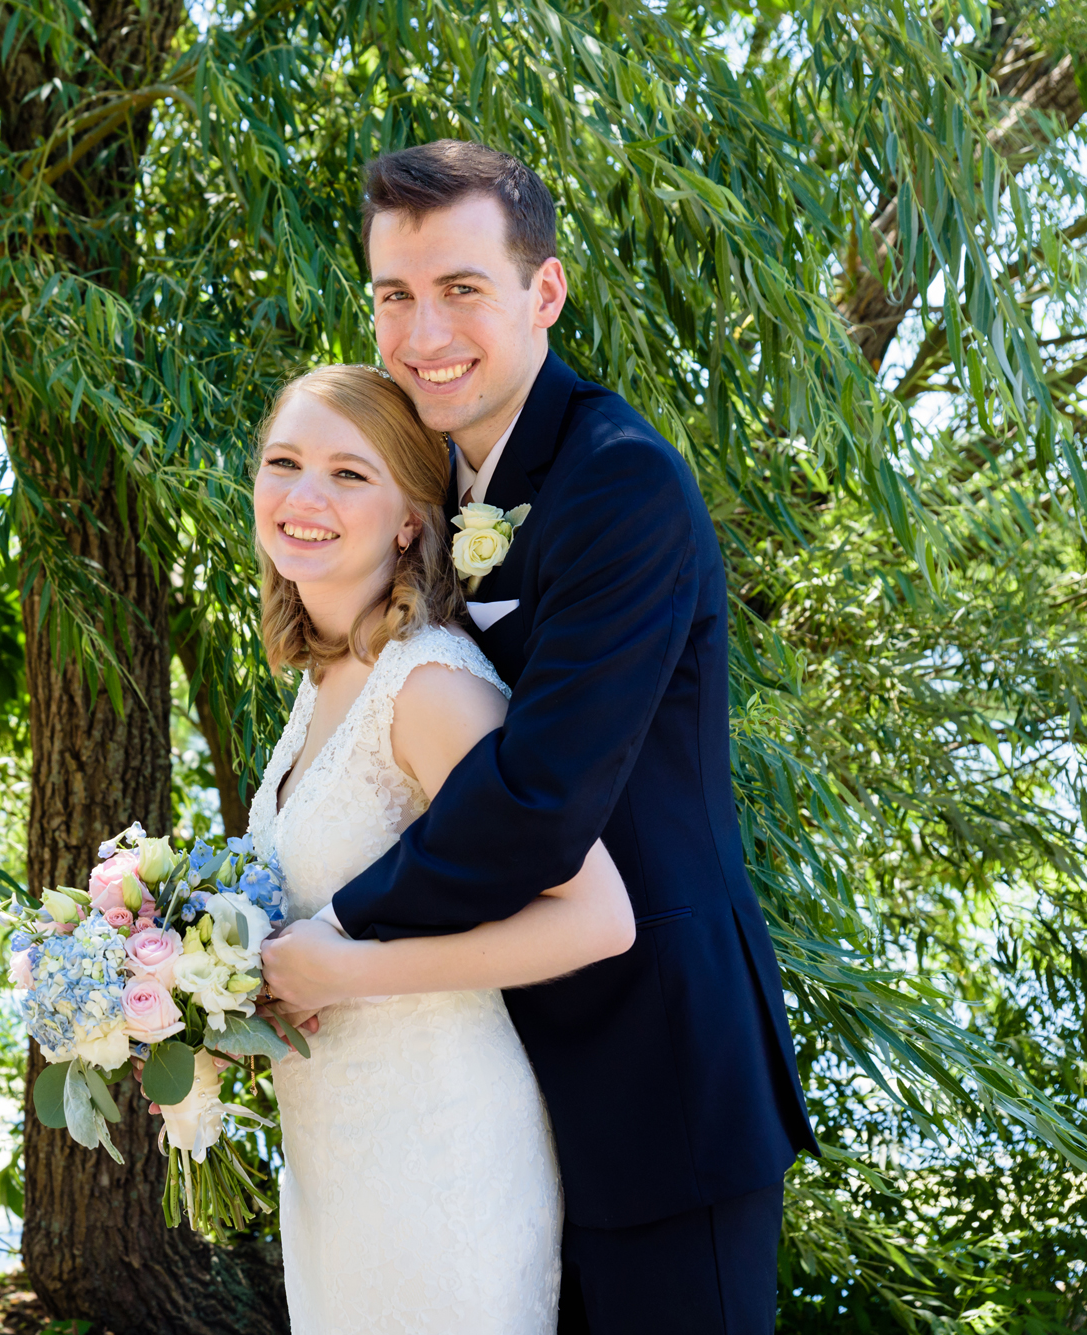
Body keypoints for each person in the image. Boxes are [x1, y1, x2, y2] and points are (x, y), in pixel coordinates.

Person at [260, 140, 817, 1334]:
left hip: (654, 1077)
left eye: (459, 289)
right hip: (493, 1101)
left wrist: (337, 937)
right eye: (392, 297)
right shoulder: (429, 492)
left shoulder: (621, 485)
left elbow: (540, 795)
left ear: (542, 294)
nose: (420, 334)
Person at [245, 363, 637, 1334]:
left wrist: (341, 976)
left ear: (410, 518)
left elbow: (596, 917)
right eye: (284, 463)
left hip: (440, 1149)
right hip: (336, 1161)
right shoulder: (323, 680)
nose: (303, 497)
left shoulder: (428, 686)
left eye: (349, 474)